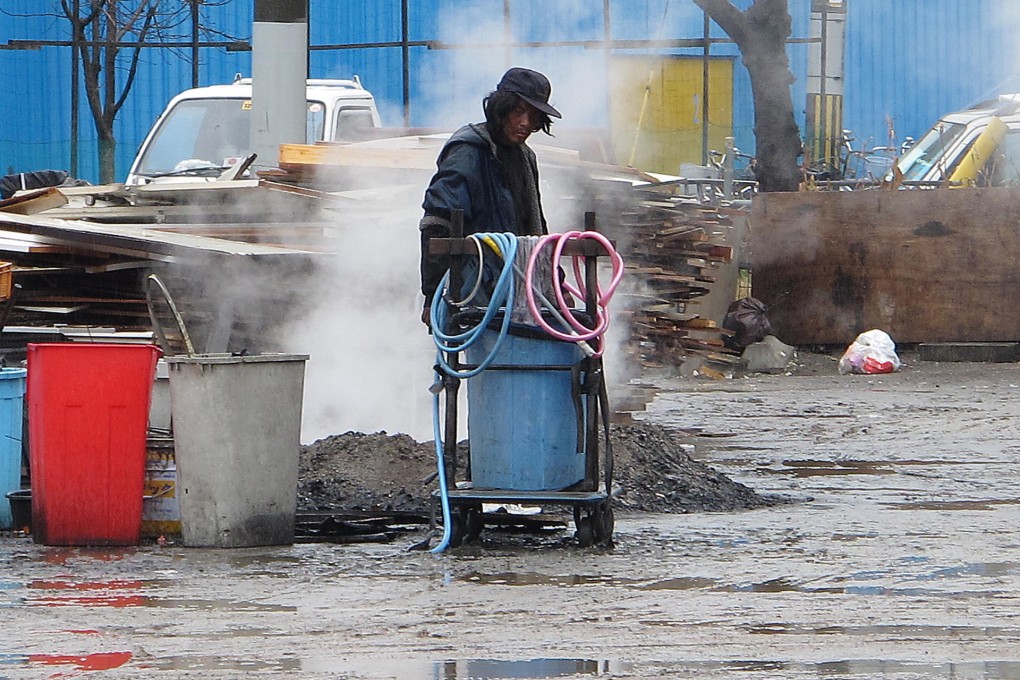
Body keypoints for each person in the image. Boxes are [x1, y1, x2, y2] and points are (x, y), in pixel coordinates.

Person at [419, 67, 562, 326]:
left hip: (516, 290)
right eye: (518, 112)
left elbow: (535, 228)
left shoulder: (524, 157)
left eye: (534, 116)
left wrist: (555, 282)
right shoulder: (468, 152)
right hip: (474, 293)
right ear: (500, 108)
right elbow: (437, 224)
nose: (525, 124)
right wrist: (432, 296)